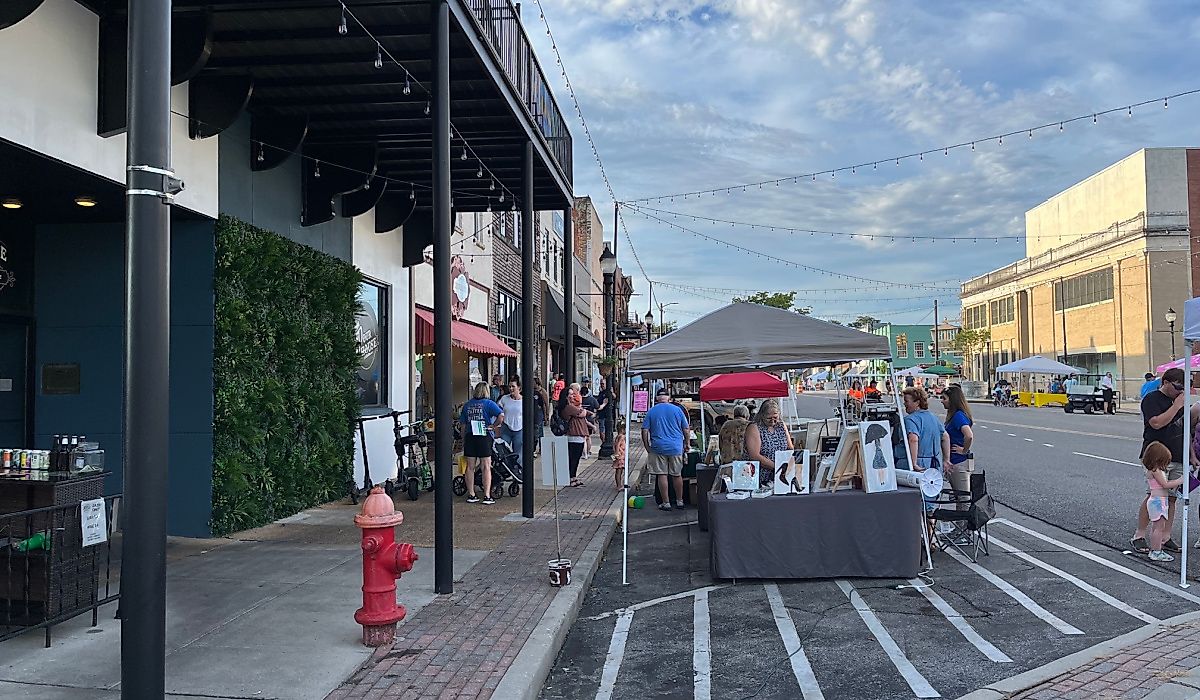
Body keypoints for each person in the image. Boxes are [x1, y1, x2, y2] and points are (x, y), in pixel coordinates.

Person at [1131, 368, 1187, 554]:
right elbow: (1156, 423)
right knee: (1155, 495)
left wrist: (1191, 455)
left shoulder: (1180, 401)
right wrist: (1176, 406)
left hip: (1178, 453)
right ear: (1166, 382)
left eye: (1184, 388)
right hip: (1157, 455)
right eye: (1177, 387)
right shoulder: (1152, 399)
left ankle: (1165, 535)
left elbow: (1186, 428)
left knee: (1172, 498)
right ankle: (1139, 534)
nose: (1180, 391)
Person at [642, 388, 690, 511]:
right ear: (668, 398)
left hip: (658, 447)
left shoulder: (651, 411)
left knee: (662, 474)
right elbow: (686, 428)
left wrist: (647, 446)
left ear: (657, 399)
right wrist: (687, 443)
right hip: (675, 447)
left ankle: (666, 502)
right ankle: (680, 501)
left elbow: (644, 430)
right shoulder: (677, 410)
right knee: (677, 474)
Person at [459, 382, 504, 504]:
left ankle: (471, 494)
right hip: (484, 435)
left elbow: (463, 424)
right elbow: (501, 415)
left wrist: (464, 439)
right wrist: (493, 426)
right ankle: (487, 495)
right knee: (485, 466)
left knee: (470, 467)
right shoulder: (488, 403)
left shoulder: (467, 405)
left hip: (470, 436)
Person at [1143, 441, 1184, 562]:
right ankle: (1156, 551)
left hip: (1160, 500)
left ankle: (1156, 548)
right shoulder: (1156, 470)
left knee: (1157, 526)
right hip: (1158, 501)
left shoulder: (1155, 470)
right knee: (1159, 527)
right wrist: (1180, 480)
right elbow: (1165, 484)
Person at [743, 398, 794, 486]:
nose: (773, 421)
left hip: (781, 474)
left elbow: (790, 448)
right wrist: (776, 467)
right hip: (760, 476)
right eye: (769, 418)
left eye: (775, 417)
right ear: (762, 416)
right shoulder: (754, 427)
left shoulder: (781, 425)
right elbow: (754, 455)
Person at [940, 385, 975, 510]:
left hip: (959, 462)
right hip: (955, 461)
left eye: (944, 398)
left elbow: (969, 435)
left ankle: (965, 527)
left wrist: (963, 450)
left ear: (952, 399)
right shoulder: (955, 415)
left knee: (963, 498)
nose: (941, 401)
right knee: (958, 497)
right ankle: (961, 526)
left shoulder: (958, 416)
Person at [902, 386, 949, 474]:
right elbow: (945, 437)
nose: (904, 404)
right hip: (935, 464)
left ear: (917, 403)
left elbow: (913, 439)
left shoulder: (910, 419)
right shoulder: (933, 417)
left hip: (920, 464)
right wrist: (946, 460)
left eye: (906, 401)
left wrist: (914, 463)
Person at [559, 383, 594, 488]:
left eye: (572, 394)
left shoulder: (572, 406)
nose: (572, 396)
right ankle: (570, 477)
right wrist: (586, 411)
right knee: (573, 458)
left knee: (576, 457)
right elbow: (583, 413)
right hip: (573, 434)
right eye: (569, 394)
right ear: (565, 396)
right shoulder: (568, 407)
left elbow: (582, 413)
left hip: (578, 434)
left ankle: (573, 477)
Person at [497, 377, 524, 467]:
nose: (511, 389)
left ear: (519, 388)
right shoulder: (504, 399)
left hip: (519, 429)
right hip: (506, 428)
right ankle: (505, 469)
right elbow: (497, 411)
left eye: (513, 386)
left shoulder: (524, 401)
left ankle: (517, 472)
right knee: (503, 450)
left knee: (518, 453)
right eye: (509, 386)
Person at [596, 377, 614, 456]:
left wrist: (611, 392)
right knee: (601, 432)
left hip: (608, 415)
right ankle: (604, 443)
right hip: (601, 415)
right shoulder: (601, 393)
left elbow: (614, 396)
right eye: (601, 384)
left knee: (605, 431)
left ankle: (606, 443)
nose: (602, 385)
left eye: (603, 384)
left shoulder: (608, 392)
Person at [533, 383, 549, 458]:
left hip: (538, 415)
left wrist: (546, 416)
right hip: (533, 415)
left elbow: (545, 404)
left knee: (539, 432)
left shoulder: (541, 392)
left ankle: (540, 448)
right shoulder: (529, 392)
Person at [612, 420, 627, 490]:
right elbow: (617, 445)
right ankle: (619, 485)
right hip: (621, 456)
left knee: (618, 471)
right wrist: (617, 453)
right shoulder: (622, 436)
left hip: (621, 455)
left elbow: (615, 445)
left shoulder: (618, 436)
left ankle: (619, 484)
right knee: (619, 471)